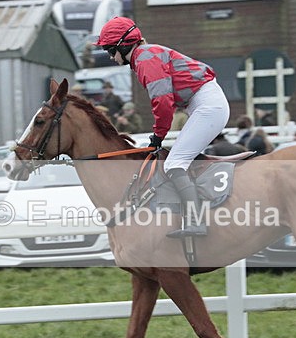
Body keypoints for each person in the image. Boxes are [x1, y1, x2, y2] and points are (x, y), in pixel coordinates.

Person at [96, 16, 230, 238]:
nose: (110, 56)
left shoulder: (145, 59)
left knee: (174, 163)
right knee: (177, 160)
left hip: (208, 106)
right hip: (205, 103)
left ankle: (196, 222)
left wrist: (158, 136)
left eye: (110, 50)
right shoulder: (145, 55)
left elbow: (163, 102)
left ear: (124, 45)